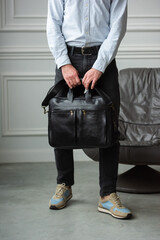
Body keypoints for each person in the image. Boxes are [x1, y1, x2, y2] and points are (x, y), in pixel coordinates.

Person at [46, 0, 132, 219]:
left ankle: (107, 195)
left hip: (103, 58)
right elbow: (53, 23)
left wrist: (100, 65)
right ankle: (64, 184)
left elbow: (117, 27)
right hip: (68, 57)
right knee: (62, 123)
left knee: (110, 127)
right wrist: (64, 64)